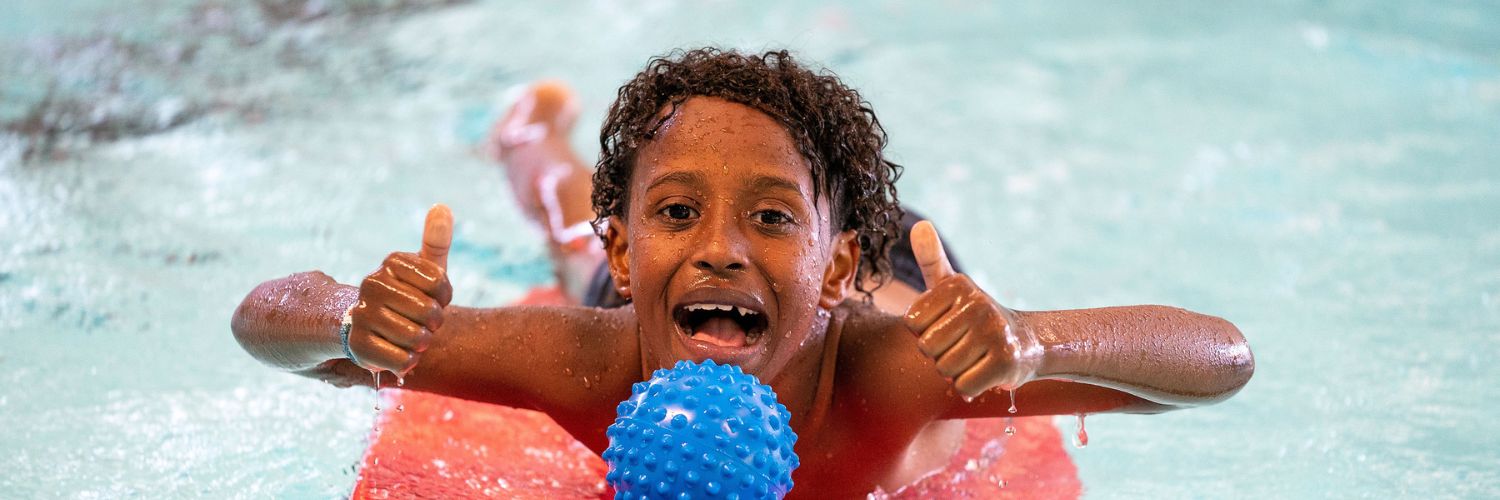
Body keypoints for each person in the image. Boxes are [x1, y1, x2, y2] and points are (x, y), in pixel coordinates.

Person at [231, 48, 1254, 498]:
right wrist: (353, 324)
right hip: (776, 264)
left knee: (902, 277)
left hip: (887, 278)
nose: (718, 243)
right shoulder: (589, 356)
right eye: (677, 215)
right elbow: (269, 325)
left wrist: (1033, 341)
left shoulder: (897, 372)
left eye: (761, 215)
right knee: (562, 221)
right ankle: (528, 134)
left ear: (843, 258)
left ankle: (791, 225)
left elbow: (1218, 359)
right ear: (635, 254)